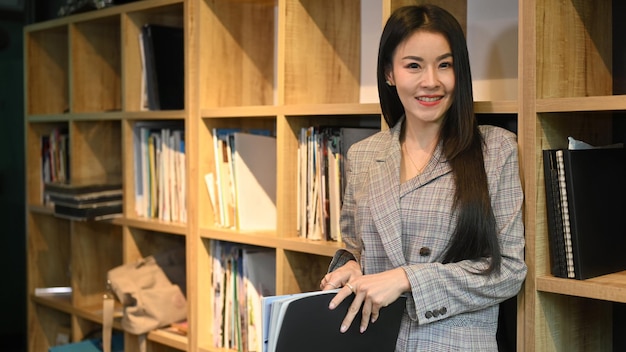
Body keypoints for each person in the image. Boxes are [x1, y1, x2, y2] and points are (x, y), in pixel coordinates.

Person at [319, 4, 527, 351]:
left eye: (444, 65)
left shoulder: (495, 149)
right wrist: (350, 268)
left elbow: (508, 271)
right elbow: (355, 248)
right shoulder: (364, 156)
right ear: (389, 73)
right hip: (373, 339)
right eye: (413, 65)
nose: (431, 81)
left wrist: (406, 279)